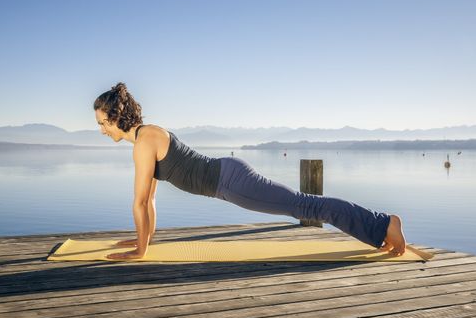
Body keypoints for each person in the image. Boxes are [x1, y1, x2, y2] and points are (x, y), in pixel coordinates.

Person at [94, 82, 407, 260]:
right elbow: (148, 201)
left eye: (101, 123)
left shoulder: (143, 142)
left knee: (306, 204)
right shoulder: (148, 135)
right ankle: (380, 229)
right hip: (231, 178)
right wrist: (141, 242)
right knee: (305, 203)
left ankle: (384, 223)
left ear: (114, 116)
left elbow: (138, 203)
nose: (101, 130)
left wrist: (139, 252)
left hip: (232, 183)